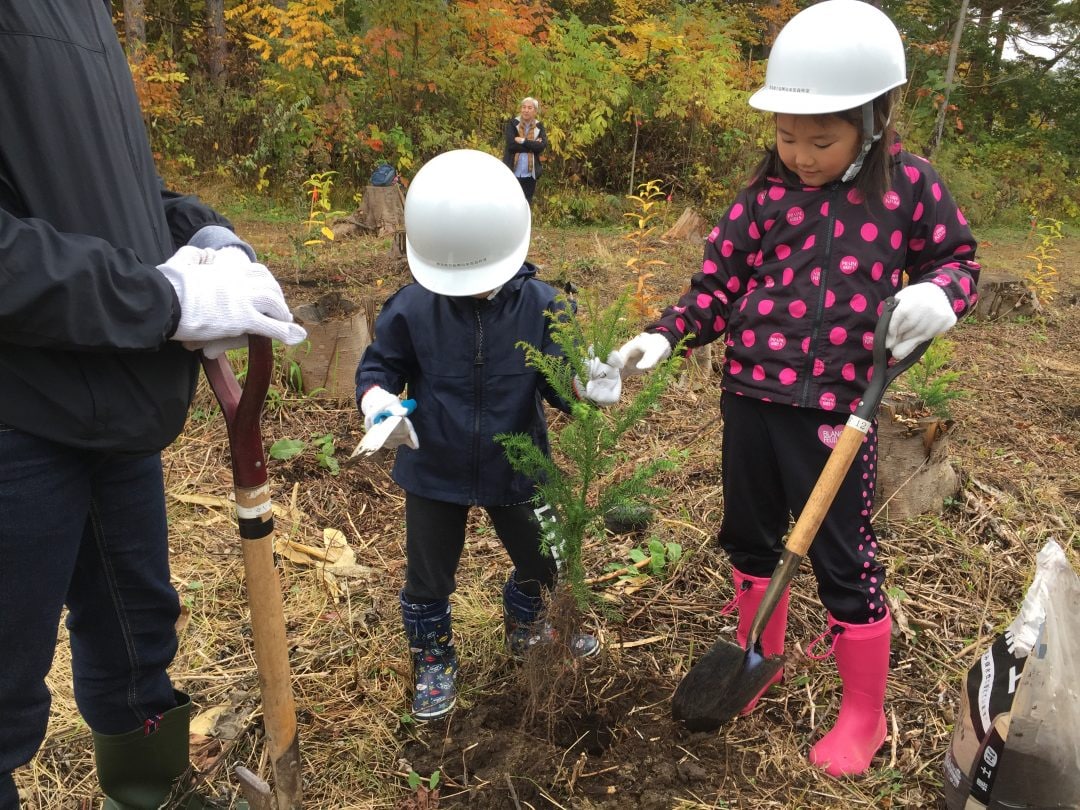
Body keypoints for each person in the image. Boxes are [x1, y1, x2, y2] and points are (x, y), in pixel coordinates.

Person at [617, 0, 979, 778]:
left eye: (821, 138)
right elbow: (715, 287)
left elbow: (960, 259)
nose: (801, 154)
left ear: (874, 123)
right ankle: (758, 653)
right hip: (749, 397)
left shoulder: (908, 189)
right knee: (750, 535)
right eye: (787, 136)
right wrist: (664, 332)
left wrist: (940, 295)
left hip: (838, 411)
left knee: (844, 559)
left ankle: (863, 714)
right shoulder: (764, 196)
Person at [0, 4, 307, 809]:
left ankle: (148, 791)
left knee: (140, 634)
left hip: (112, 392)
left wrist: (207, 236)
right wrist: (157, 299)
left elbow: (104, 191)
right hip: (16, 407)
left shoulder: (76, 11)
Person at [355, 149, 621, 721]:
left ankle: (528, 623)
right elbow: (379, 367)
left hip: (518, 464)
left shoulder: (546, 306)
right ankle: (433, 658)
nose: (471, 291)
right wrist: (377, 401)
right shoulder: (411, 308)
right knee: (427, 577)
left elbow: (557, 380)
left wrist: (580, 381)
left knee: (543, 557)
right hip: (433, 467)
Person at [502, 97, 547, 205]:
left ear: (535, 111)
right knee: (510, 202)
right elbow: (511, 146)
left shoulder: (539, 126)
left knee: (526, 203)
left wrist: (523, 141)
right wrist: (533, 145)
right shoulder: (513, 123)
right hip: (512, 171)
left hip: (530, 174)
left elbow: (541, 147)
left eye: (529, 108)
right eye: (524, 107)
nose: (526, 110)